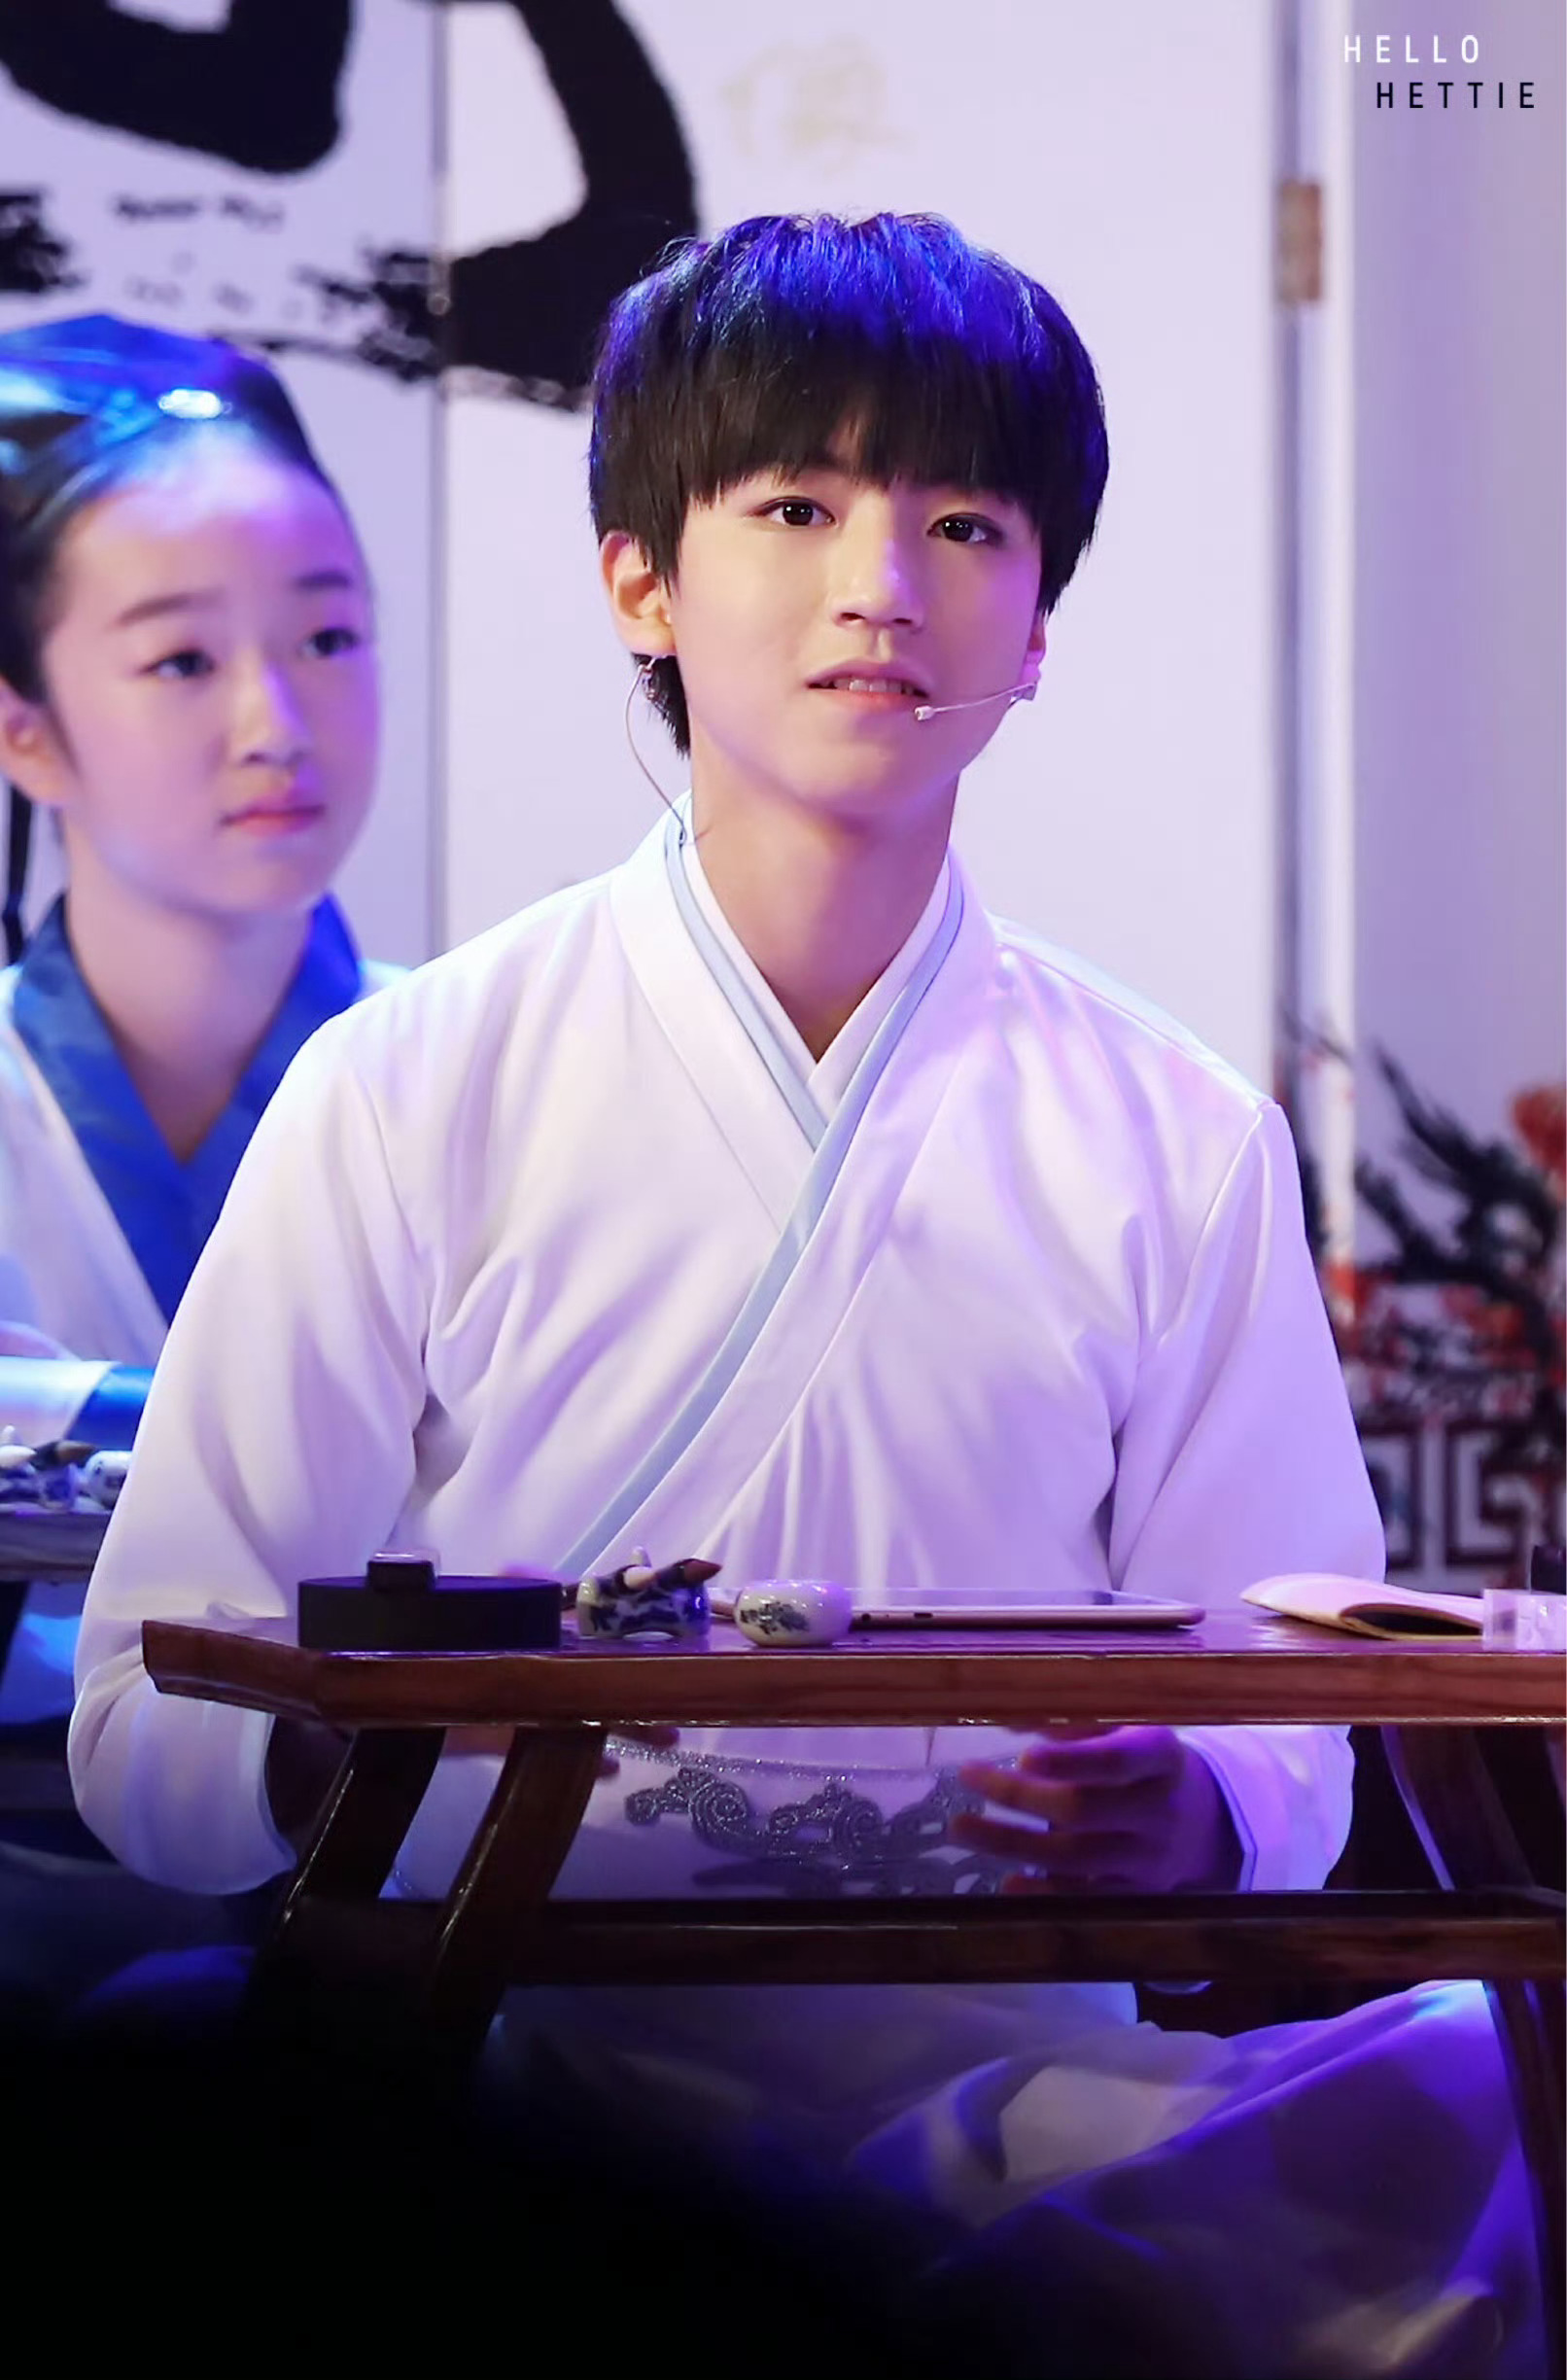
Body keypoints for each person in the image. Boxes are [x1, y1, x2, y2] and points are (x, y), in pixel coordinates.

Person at [70, 222, 1538, 2375]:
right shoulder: (411, 1082)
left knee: (1487, 2090)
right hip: (509, 2070)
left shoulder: (1174, 1132)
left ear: (1039, 626)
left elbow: (1284, 1696)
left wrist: (1196, 1806)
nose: (885, 584)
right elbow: (141, 1705)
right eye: (793, 507)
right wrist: (386, 1756)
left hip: (1025, 2071)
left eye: (964, 524)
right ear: (640, 582)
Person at [0, 315, 390, 1996]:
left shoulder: (500, 1084)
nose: (275, 720)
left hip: (430, 1899)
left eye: (327, 635)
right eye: (179, 660)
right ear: (24, 727)